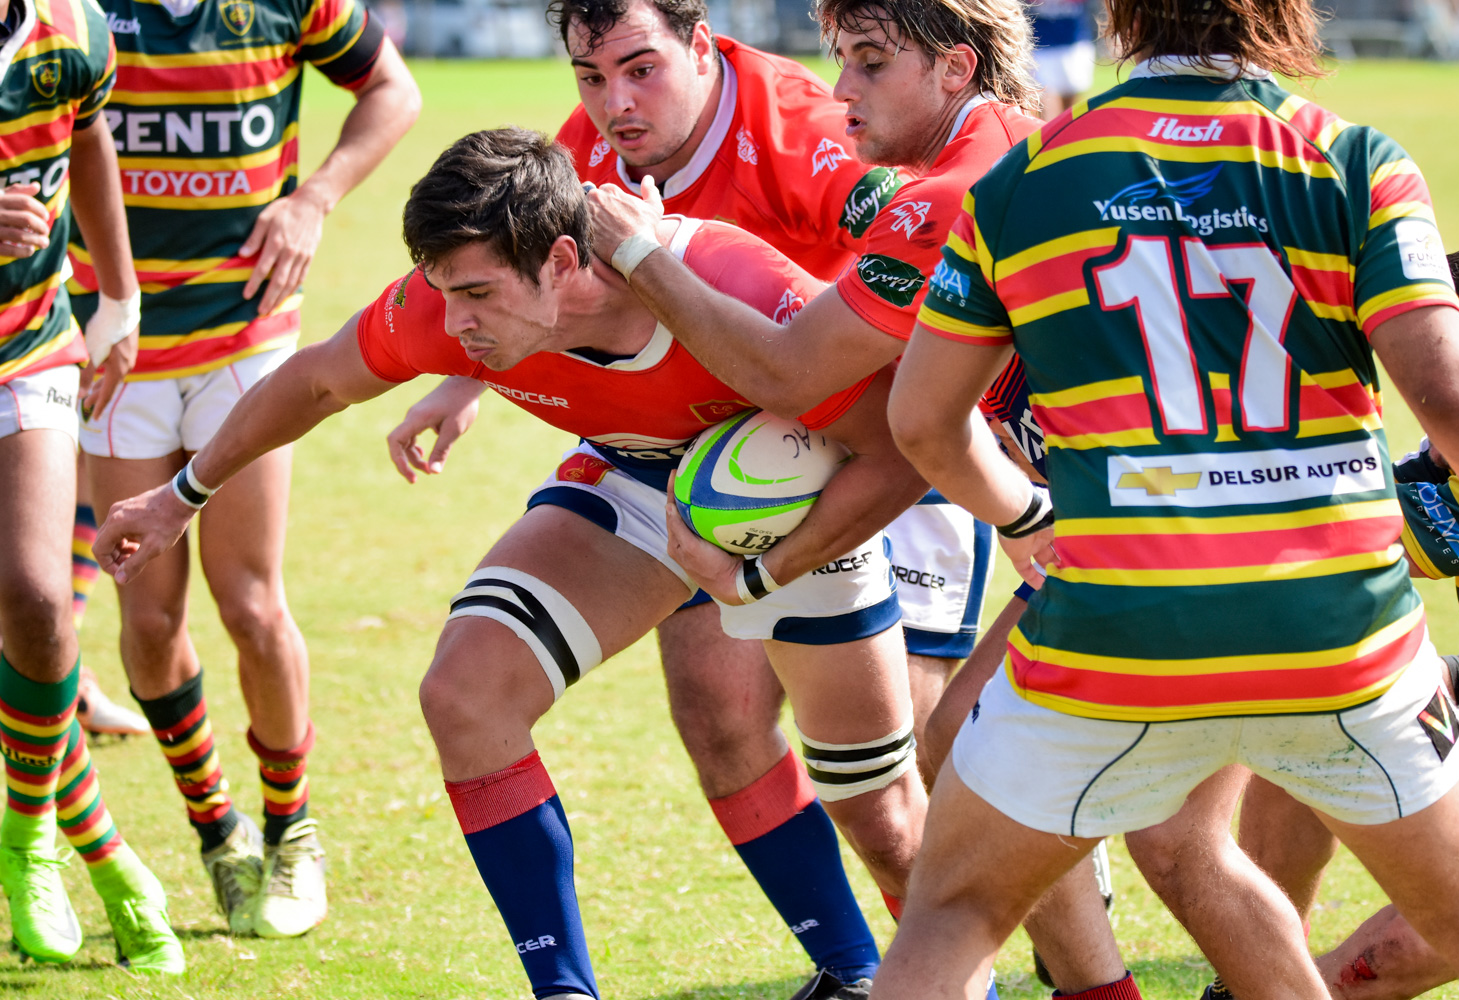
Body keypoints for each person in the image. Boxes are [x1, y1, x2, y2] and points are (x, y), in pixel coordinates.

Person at [94, 127, 933, 1000]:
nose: (457, 323)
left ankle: (918, 979)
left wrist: (757, 574)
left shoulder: (734, 282)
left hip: (803, 501)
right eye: (444, 291)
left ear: (562, 261)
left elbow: (897, 447)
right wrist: (178, 498)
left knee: (879, 814)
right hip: (633, 474)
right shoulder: (444, 311)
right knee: (467, 693)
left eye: (479, 294)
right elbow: (316, 381)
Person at [869, 0, 1459, 988]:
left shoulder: (1023, 181)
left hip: (1115, 629)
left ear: (1122, 15)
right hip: (1337, 631)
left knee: (953, 912)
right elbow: (1456, 397)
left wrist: (1027, 516)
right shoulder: (1353, 161)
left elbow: (920, 422)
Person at [384, 2, 985, 993]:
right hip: (709, 462)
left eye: (638, 68)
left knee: (898, 779)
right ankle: (855, 971)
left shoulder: (803, 128)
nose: (613, 101)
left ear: (701, 45)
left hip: (873, 433)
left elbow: (924, 243)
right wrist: (465, 376)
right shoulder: (593, 141)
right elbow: (520, 264)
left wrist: (862, 372)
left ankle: (1035, 953)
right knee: (718, 715)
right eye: (588, 75)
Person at [583, 0, 1132, 994]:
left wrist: (640, 256)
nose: (841, 89)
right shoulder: (1011, 150)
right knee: (983, 756)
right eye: (840, 60)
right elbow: (934, 420)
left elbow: (802, 377)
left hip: (1140, 523)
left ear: (955, 68)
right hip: (1156, 505)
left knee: (974, 759)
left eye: (870, 63)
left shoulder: (947, 194)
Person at [66, 0, 420, 939]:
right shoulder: (81, 11)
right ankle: (218, 831)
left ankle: (292, 827)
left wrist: (315, 197)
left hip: (245, 339)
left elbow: (393, 89)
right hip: (118, 346)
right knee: (148, 619)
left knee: (252, 603)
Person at [1167, 234, 1459, 1000]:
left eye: (1451, 363)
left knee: (1416, 945)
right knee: (1315, 722)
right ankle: (1252, 979)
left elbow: (1340, 533)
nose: (1426, 385)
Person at [0, 0, 183, 971]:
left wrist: (119, 295)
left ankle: (27, 835)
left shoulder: (72, 25)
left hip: (28, 344)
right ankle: (102, 849)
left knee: (39, 606)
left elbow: (86, 135)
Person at [1027, 0, 1096, 119]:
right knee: (1044, 96)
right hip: (1041, 44)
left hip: (1074, 41)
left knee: (1071, 103)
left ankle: (1068, 130)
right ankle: (1048, 130)